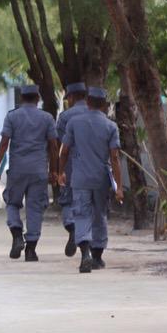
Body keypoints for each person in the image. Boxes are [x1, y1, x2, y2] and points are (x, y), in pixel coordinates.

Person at [58, 88, 124, 273]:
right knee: (99, 214)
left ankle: (85, 253)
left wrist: (60, 172)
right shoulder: (111, 126)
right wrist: (119, 186)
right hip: (101, 179)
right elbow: (115, 157)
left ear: (87, 102)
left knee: (81, 214)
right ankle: (97, 257)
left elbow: (64, 151)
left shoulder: (74, 122)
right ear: (104, 105)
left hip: (79, 178)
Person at [0, 84, 57, 261]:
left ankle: (16, 234)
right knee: (35, 208)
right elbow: (53, 146)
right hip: (39, 171)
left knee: (12, 203)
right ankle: (31, 250)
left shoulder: (12, 116)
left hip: (17, 170)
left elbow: (4, 143)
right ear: (38, 98)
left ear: (21, 98)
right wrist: (54, 170)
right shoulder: (47, 118)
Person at [56, 82, 88, 257]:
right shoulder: (97, 115)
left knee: (67, 199)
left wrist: (59, 170)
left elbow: (61, 144)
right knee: (88, 202)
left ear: (72, 97)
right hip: (92, 165)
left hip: (70, 163)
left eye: (67, 98)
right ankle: (87, 241)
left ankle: (72, 226)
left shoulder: (65, 117)